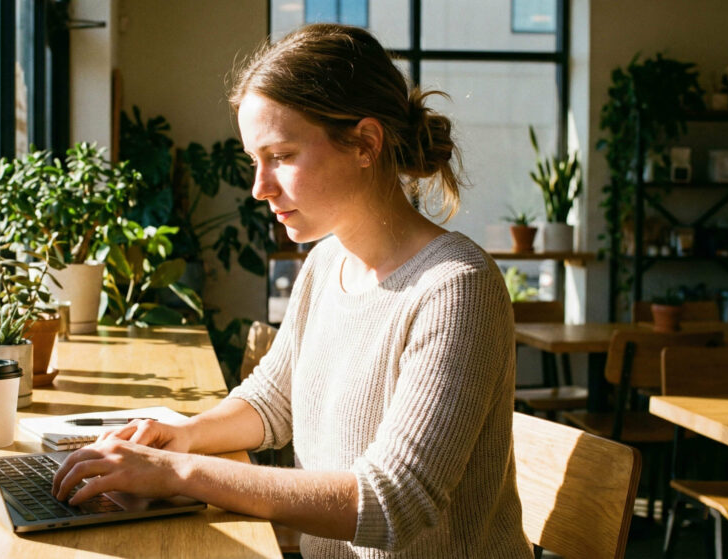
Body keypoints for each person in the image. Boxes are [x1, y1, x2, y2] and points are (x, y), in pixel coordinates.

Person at [52, 23, 532, 558]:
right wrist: (182, 436)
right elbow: (272, 401)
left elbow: (392, 501)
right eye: (254, 161)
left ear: (366, 144)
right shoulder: (327, 262)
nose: (259, 187)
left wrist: (178, 472)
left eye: (280, 156)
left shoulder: (456, 288)